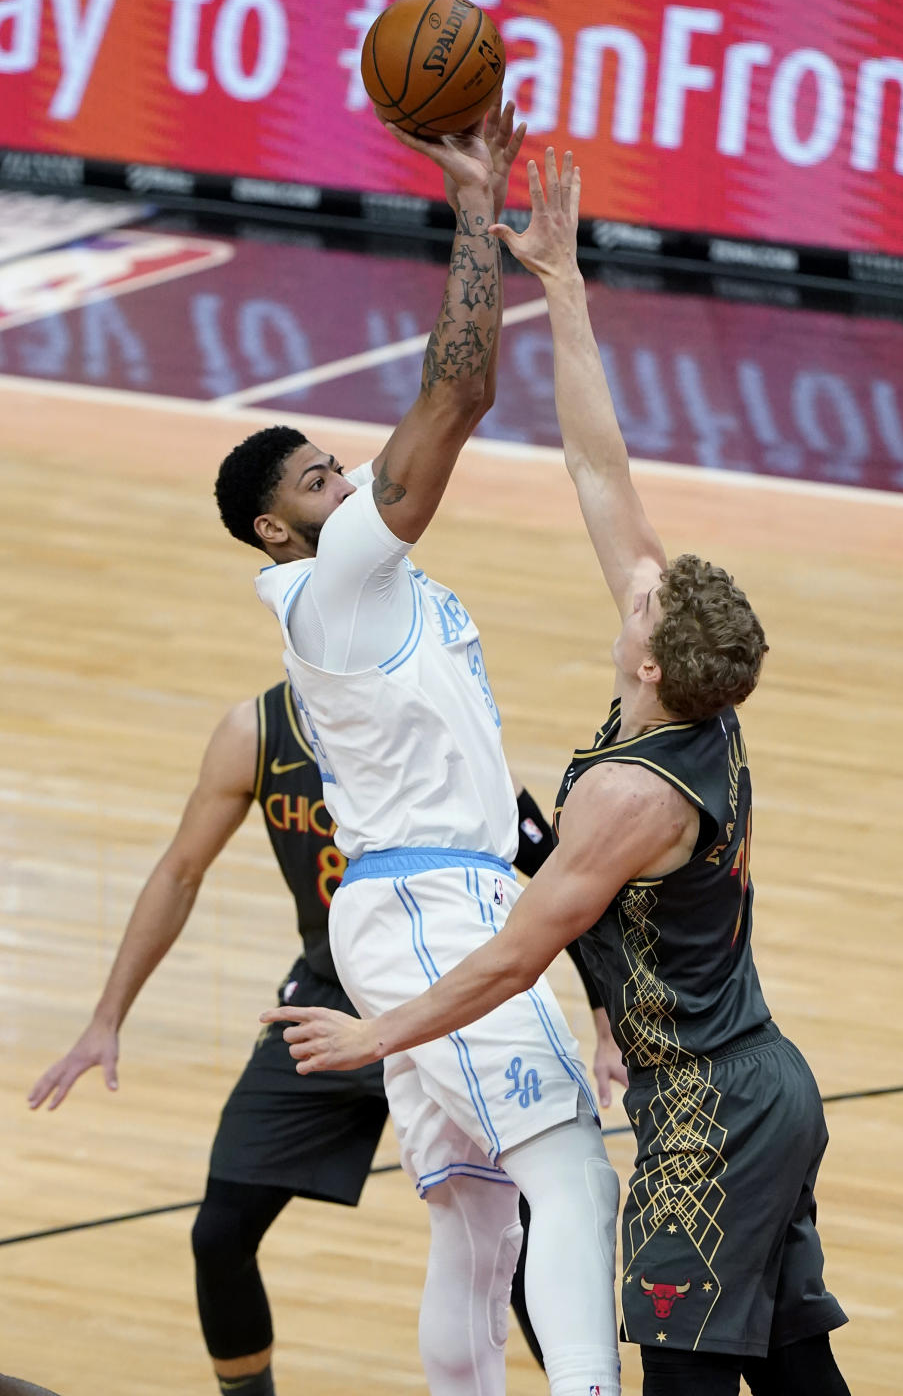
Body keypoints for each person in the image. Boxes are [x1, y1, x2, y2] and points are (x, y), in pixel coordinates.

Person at [267, 151, 852, 1396]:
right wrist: (564, 285)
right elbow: (601, 471)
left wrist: (380, 1033)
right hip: (766, 1078)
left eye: (642, 606)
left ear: (650, 662)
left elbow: (510, 957)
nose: (633, 591)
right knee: (800, 1372)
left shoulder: (627, 797)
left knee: (681, 1375)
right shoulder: (700, 710)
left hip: (707, 1112)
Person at [213, 114, 622, 1396]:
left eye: (338, 464)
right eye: (319, 481)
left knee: (476, 1219)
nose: (347, 481)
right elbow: (461, 388)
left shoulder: (367, 581)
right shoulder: (333, 579)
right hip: (436, 902)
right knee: (570, 1174)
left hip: (420, 899)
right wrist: (472, 213)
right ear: (280, 534)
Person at [28, 677, 623, 1396]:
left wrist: (605, 1021)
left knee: (522, 1241)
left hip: (441, 994)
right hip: (322, 1002)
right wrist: (106, 1018)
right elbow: (180, 872)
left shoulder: (426, 714)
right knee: (219, 1233)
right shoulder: (255, 731)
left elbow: (567, 877)